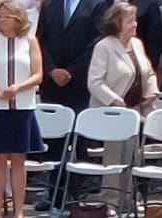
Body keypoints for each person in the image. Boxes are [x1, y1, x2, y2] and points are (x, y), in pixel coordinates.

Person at [37, 0, 113, 206]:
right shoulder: (50, 5)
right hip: (52, 83)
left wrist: (72, 71)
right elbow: (40, 40)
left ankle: (77, 194)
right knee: (54, 142)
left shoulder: (97, 5)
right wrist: (51, 69)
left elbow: (96, 41)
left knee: (79, 142)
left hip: (79, 83)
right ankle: (55, 193)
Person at [0, 0, 42, 218]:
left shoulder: (30, 41)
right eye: (0, 16)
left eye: (6, 16)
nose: (1, 20)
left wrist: (18, 88)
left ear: (17, 18)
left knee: (18, 161)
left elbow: (37, 74)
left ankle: (19, 213)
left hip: (23, 106)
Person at [88, 1, 158, 203]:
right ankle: (110, 199)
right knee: (113, 156)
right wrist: (115, 100)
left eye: (135, 20)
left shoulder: (137, 44)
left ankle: (128, 202)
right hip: (112, 112)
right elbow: (94, 82)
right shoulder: (104, 46)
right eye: (130, 21)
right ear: (117, 23)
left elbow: (149, 72)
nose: (135, 25)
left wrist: (152, 92)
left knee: (131, 156)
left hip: (135, 111)